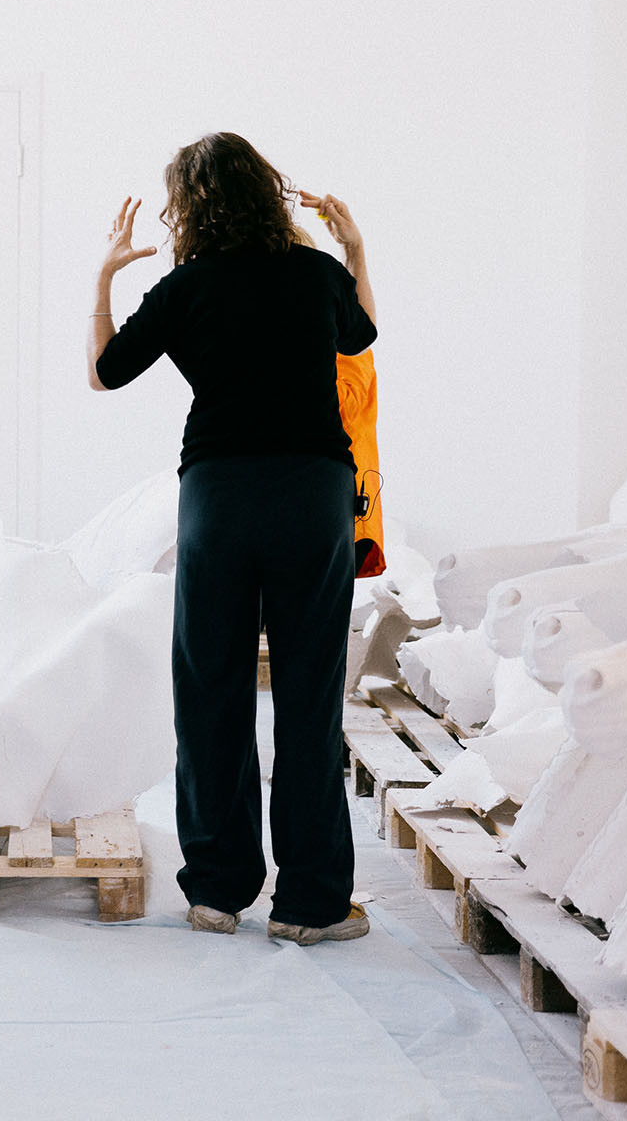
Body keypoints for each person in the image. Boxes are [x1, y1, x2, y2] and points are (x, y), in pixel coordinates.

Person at [86, 132, 378, 944]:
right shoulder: (317, 274)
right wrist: (352, 249)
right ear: (266, 191)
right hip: (313, 495)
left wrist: (106, 278)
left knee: (210, 693)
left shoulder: (186, 288)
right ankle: (312, 907)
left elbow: (105, 371)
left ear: (188, 207)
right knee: (309, 700)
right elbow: (358, 339)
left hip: (217, 498)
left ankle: (216, 893)